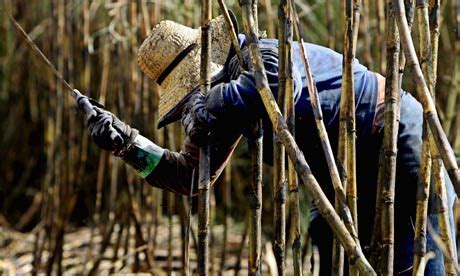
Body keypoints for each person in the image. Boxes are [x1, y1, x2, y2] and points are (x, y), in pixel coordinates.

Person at [80, 14, 457, 275]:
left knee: (417, 259)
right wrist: (128, 145)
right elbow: (192, 176)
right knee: (331, 251)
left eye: (190, 93)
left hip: (397, 136)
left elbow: (271, 90)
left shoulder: (261, 56)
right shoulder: (222, 100)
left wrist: (205, 103)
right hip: (338, 176)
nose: (191, 109)